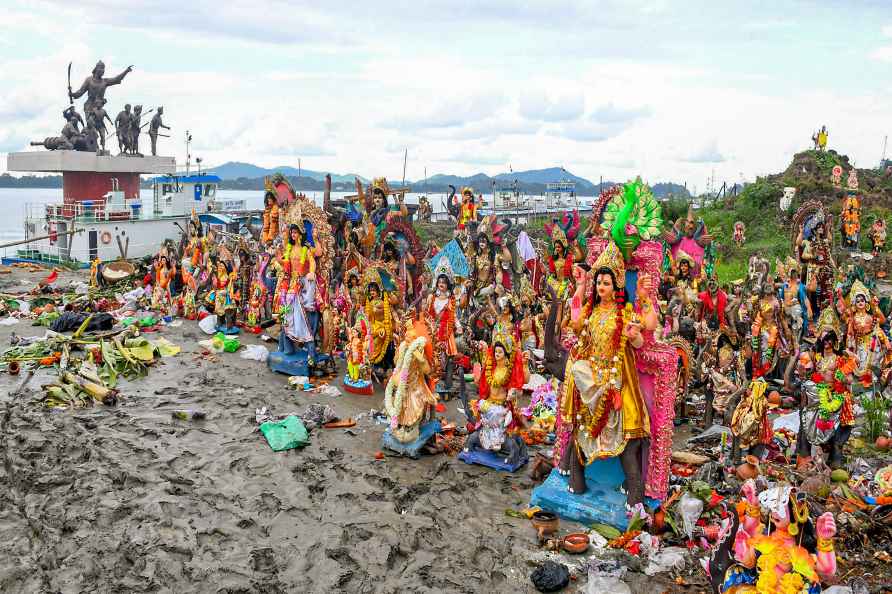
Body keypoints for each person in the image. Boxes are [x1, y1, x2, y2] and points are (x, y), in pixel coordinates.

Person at [556, 242, 658, 504]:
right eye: (599, 282)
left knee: (625, 436)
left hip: (617, 381)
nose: (602, 287)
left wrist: (644, 300)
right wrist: (580, 286)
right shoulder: (590, 312)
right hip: (591, 381)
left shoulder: (624, 313)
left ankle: (634, 489)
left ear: (616, 287)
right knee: (582, 428)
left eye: (607, 283)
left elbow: (645, 331)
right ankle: (576, 476)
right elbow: (576, 322)